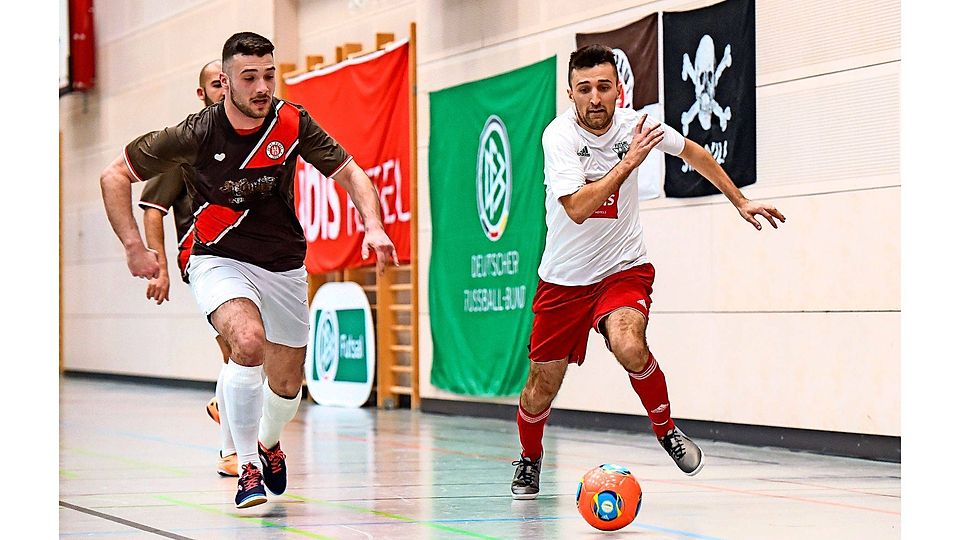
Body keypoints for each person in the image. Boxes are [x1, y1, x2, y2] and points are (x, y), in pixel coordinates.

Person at [100, 32, 398, 509]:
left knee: (287, 384)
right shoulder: (194, 134)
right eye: (249, 78)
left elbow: (350, 172)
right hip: (216, 257)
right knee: (247, 340)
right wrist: (135, 247)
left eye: (269, 76)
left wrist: (374, 226)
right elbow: (114, 175)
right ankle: (246, 467)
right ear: (225, 81)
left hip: (282, 263)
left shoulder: (291, 122)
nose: (262, 87)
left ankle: (268, 442)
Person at [510, 44, 785, 499]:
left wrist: (740, 200)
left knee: (629, 343)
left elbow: (693, 152)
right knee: (541, 387)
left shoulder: (637, 125)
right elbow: (577, 208)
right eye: (584, 89)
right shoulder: (558, 137)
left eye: (604, 87)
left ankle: (666, 430)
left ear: (618, 90)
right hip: (564, 280)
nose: (595, 97)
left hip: (622, 268)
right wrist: (629, 163)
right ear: (570, 94)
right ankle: (529, 457)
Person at [138, 59, 239, 478]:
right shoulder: (187, 143)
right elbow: (152, 207)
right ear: (202, 93)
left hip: (253, 255)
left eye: (228, 83)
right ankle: (231, 451)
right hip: (203, 255)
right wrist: (159, 266)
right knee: (238, 346)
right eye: (216, 84)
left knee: (254, 354)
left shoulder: (255, 139)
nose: (224, 90)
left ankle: (224, 403)